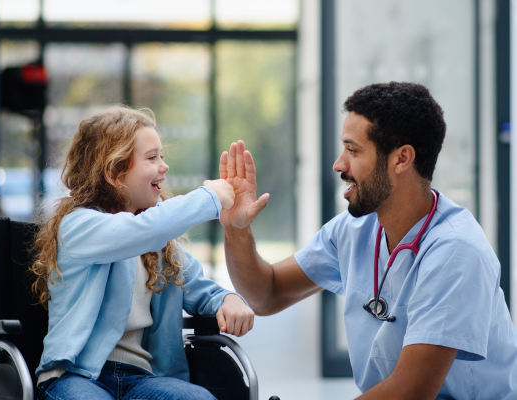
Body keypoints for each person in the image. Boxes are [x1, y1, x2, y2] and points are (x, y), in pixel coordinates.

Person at [219, 82, 517, 399]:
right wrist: (237, 230)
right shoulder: (353, 230)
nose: (338, 164)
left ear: (401, 159)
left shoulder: (456, 251)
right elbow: (267, 294)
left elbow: (410, 392)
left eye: (353, 150)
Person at [31, 106, 254, 400]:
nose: (164, 166)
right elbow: (139, 231)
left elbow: (201, 288)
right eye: (152, 158)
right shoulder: (79, 226)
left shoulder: (160, 247)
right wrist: (209, 198)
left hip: (142, 380)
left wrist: (229, 299)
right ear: (113, 172)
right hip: (78, 377)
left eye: (162, 156)